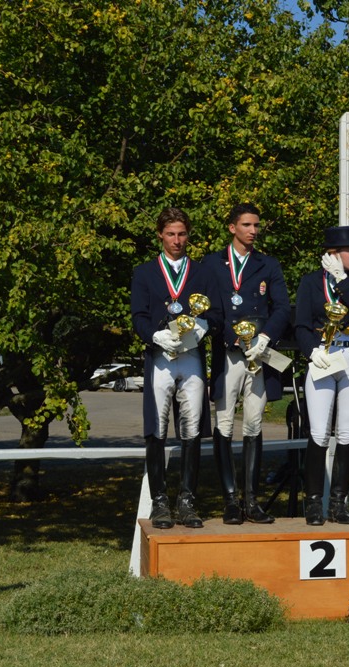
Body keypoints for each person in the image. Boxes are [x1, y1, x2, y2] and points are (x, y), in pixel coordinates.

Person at [130, 207, 221, 529]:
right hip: (161, 358)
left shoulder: (203, 272)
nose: (177, 240)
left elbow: (217, 313)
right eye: (170, 234)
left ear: (188, 235)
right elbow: (138, 315)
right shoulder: (145, 272)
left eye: (182, 234)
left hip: (192, 356)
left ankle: (187, 501)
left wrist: (203, 327)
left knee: (192, 428)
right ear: (160, 235)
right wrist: (153, 335)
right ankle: (159, 502)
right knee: (157, 428)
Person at [201, 203, 290, 525]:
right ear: (232, 228)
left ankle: (251, 500)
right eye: (247, 225)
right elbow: (209, 309)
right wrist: (232, 338)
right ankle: (229, 500)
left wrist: (264, 337)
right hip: (229, 353)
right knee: (225, 423)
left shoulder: (268, 264)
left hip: (259, 355)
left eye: (256, 225)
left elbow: (282, 307)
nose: (253, 231)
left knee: (254, 423)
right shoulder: (211, 264)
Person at [294, 226, 349, 526]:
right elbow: (302, 324)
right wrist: (311, 350)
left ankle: (340, 501)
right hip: (323, 358)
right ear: (333, 253)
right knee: (318, 432)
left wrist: (341, 279)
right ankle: (314, 501)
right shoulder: (310, 282)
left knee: (347, 433)